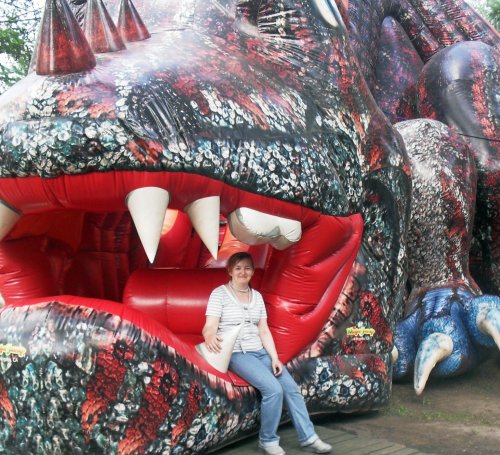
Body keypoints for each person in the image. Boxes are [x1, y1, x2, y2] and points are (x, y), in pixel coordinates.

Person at [202, 252, 332, 455]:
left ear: (252, 271)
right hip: (238, 353)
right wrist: (210, 335)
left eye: (247, 268)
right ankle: (268, 440)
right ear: (230, 271)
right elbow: (209, 326)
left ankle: (309, 438)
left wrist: (274, 358)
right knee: (274, 390)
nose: (243, 272)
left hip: (260, 352)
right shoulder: (219, 294)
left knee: (291, 388)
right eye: (238, 268)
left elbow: (263, 330)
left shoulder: (257, 297)